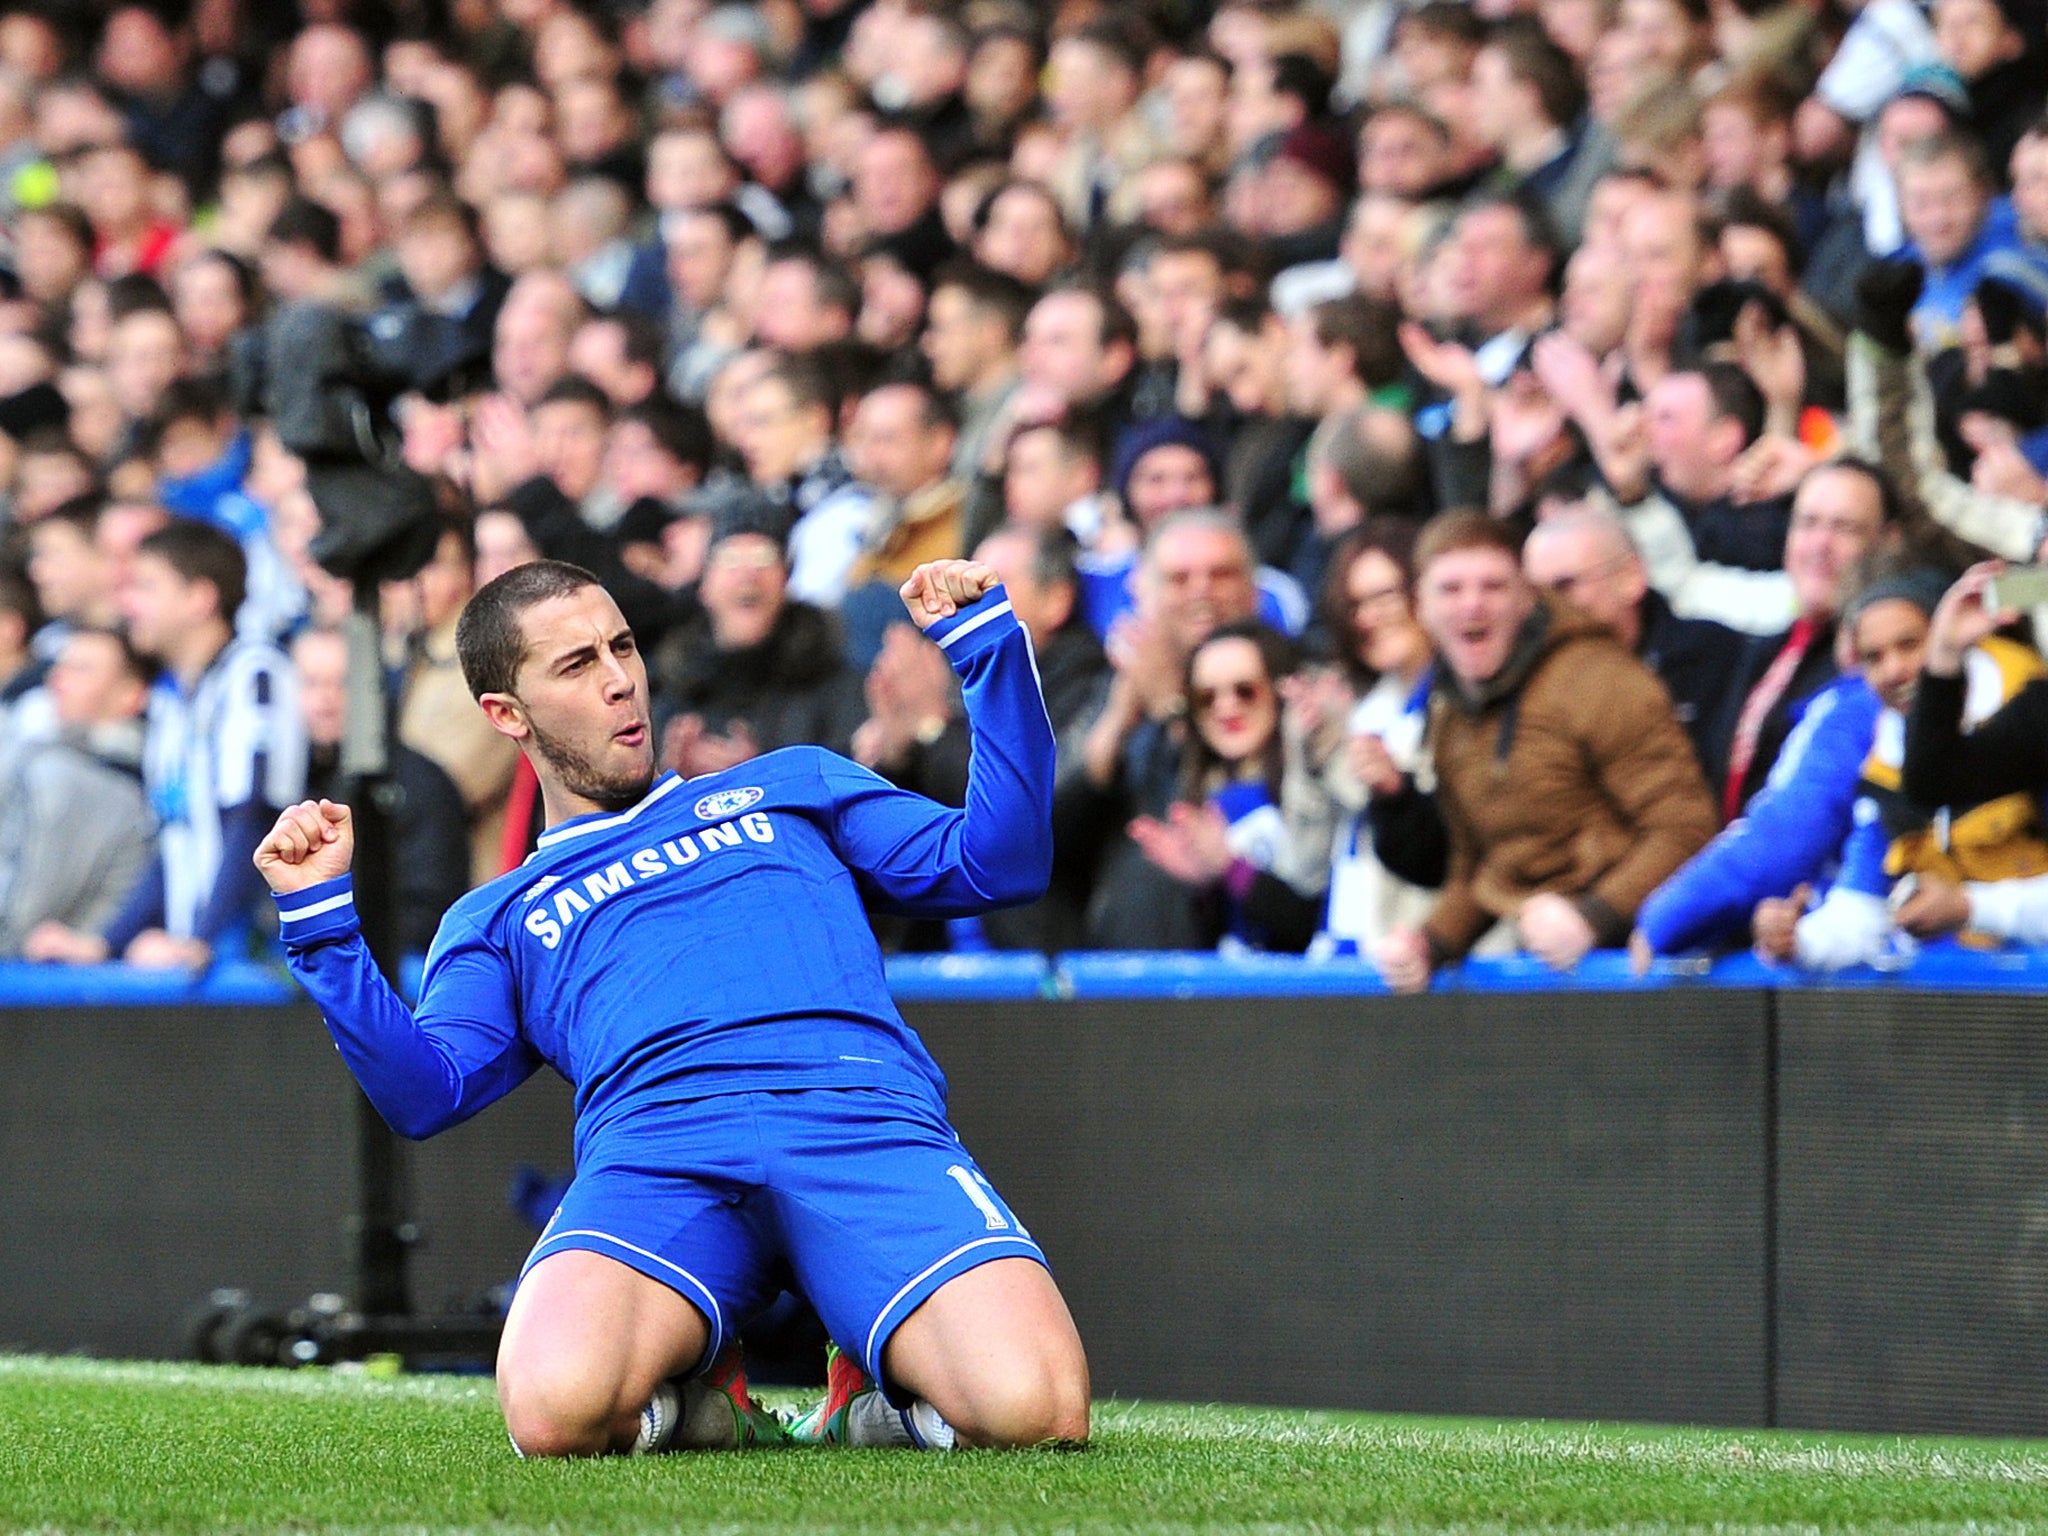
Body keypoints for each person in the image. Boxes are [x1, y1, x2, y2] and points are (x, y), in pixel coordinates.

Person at [253, 555, 1088, 1456]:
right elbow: (426, 1093)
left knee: (1036, 1411)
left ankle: (868, 1402)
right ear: (507, 714)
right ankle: (702, 1406)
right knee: (550, 1414)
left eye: (622, 647)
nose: (620, 681)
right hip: (658, 1156)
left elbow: (1000, 862)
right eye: (577, 666)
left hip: (861, 1121)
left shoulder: (795, 783)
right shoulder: (495, 914)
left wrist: (989, 654)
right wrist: (323, 928)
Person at [1374, 511, 1718, 989]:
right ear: (1420, 607)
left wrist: (1594, 917)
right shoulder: (1451, 709)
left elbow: (1687, 829)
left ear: (1525, 597)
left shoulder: (1601, 680)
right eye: (1451, 589)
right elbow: (1483, 866)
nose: (1472, 605)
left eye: (1492, 586)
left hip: (1643, 973)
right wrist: (1429, 944)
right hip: (1549, 975)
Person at [25, 521, 306, 969]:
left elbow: (255, 819)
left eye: (146, 586)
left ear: (200, 598)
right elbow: (172, 842)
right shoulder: (172, 702)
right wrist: (105, 942)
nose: (127, 603)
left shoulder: (254, 675)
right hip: (195, 962)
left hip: (253, 968)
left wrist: (204, 940)